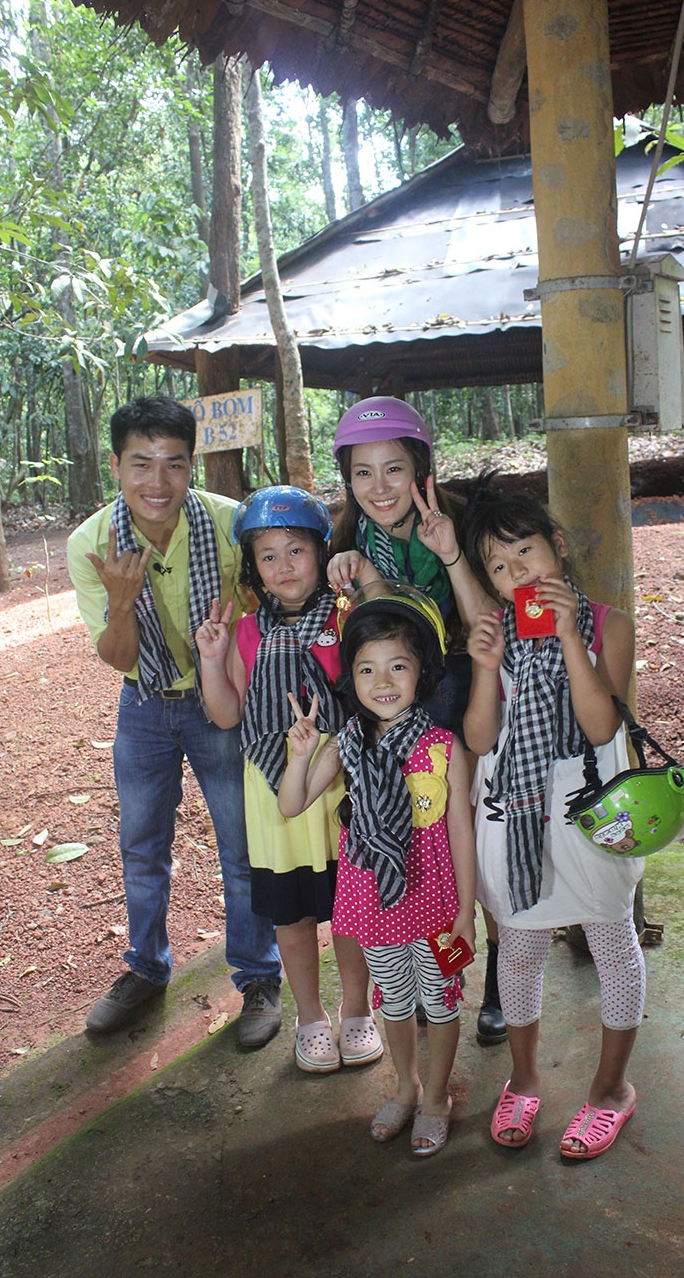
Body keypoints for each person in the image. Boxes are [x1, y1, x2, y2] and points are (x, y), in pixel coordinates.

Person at [66, 396, 282, 1044]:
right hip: (143, 704)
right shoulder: (91, 545)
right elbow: (117, 657)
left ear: (192, 465)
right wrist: (121, 603)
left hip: (221, 702)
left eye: (174, 464)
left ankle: (259, 976)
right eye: (141, 464)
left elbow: (275, 600)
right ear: (115, 466)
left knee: (241, 846)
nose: (157, 482)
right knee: (141, 845)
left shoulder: (230, 523)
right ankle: (146, 968)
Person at [460, 476, 644, 1160]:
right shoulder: (493, 632)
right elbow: (480, 739)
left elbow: (600, 727)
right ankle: (525, 1078)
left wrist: (570, 636)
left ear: (557, 546)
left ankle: (610, 1090)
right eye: (498, 566)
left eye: (525, 552)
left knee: (611, 941)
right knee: (520, 948)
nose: (517, 573)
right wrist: (485, 667)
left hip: (588, 811)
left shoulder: (609, 625)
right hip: (513, 813)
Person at [327, 396, 506, 1045]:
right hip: (393, 714)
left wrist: (452, 555)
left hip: (464, 699)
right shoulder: (348, 542)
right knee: (414, 839)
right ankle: (427, 975)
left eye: (394, 469)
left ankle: (496, 980)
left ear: (421, 470)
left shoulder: (462, 524)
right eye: (363, 473)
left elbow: (487, 628)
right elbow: (373, 641)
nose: (379, 487)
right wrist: (357, 581)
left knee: (474, 835)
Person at [279, 583, 476, 1157]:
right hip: (375, 903)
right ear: (352, 678)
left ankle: (436, 1097)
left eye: (398, 666)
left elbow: (461, 832)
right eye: (367, 669)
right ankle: (406, 1087)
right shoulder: (345, 746)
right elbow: (292, 804)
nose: (383, 681)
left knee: (440, 1002)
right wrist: (299, 756)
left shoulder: (444, 747)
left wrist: (466, 912)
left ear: (422, 674)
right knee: (394, 998)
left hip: (437, 901)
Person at [194, 485, 382, 1074]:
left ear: (321, 552)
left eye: (296, 550)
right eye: (268, 555)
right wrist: (211, 658)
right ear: (253, 567)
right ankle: (310, 1018)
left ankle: (358, 1010)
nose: (284, 566)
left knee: (352, 907)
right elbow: (227, 714)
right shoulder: (247, 632)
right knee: (293, 916)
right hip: (276, 790)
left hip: (343, 778)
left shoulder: (348, 617)